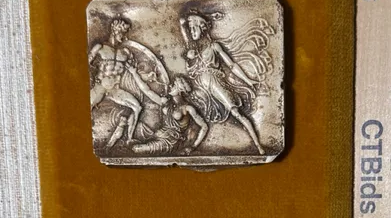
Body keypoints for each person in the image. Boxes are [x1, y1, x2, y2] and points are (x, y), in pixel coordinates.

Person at [179, 12, 267, 154]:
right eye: (190, 28)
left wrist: (248, 80)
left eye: (194, 27)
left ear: (203, 28)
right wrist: (202, 17)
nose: (191, 31)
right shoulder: (192, 48)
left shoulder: (214, 46)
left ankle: (258, 145)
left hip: (215, 84)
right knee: (186, 111)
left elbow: (232, 65)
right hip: (200, 88)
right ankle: (188, 144)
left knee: (237, 113)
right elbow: (182, 21)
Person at [89, 17, 168, 145]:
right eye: (122, 33)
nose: (124, 37)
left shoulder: (125, 53)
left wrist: (149, 77)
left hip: (115, 90)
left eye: (125, 33)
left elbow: (134, 72)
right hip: (100, 86)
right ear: (115, 31)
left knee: (137, 107)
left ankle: (129, 139)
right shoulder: (100, 47)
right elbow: (86, 65)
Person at [130, 75, 210, 156]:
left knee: (137, 149)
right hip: (158, 135)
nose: (171, 86)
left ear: (181, 89)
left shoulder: (188, 108)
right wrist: (134, 73)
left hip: (170, 142)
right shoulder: (166, 102)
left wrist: (193, 146)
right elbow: (147, 91)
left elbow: (204, 126)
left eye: (174, 85)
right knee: (139, 130)